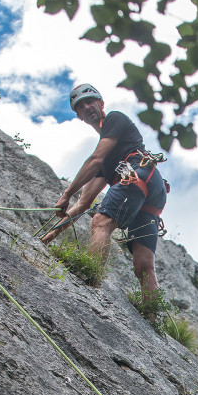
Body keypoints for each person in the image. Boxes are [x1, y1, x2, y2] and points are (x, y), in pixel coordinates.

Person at [41, 84, 167, 298]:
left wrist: (65, 194)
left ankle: (91, 277)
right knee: (143, 263)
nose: (87, 106)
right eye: (81, 106)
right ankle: (151, 314)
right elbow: (83, 204)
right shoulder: (106, 163)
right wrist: (47, 237)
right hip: (151, 193)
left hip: (138, 174)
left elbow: (95, 158)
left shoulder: (114, 119)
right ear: (79, 116)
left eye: (91, 101)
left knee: (101, 222)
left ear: (101, 104)